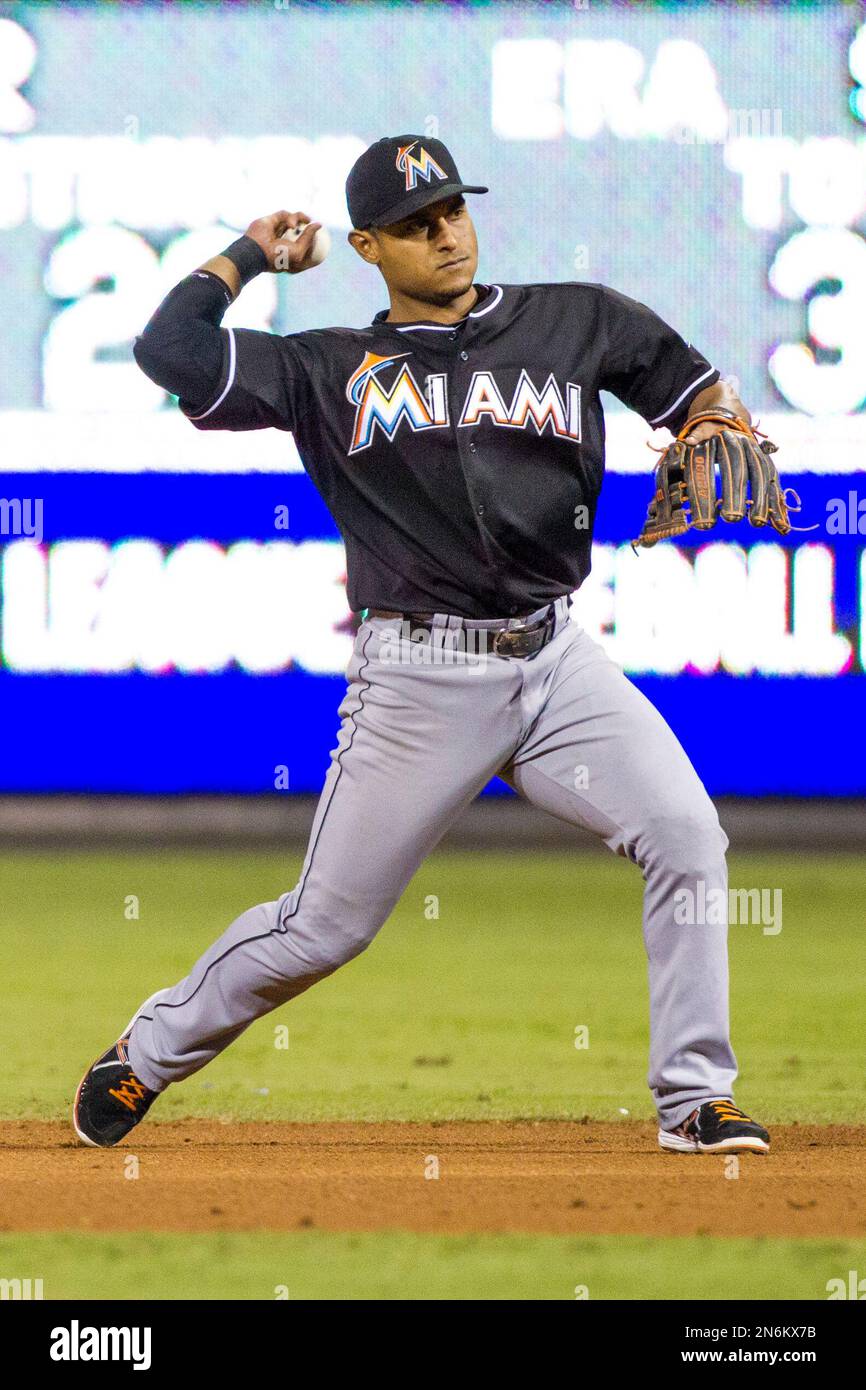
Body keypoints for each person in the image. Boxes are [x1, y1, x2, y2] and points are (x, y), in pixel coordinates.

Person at [73, 134, 770, 1157]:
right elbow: (168, 353)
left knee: (687, 837)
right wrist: (249, 253)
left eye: (451, 209)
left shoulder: (575, 318)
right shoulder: (325, 369)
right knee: (324, 926)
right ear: (367, 246)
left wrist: (711, 414)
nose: (445, 233)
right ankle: (148, 1048)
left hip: (557, 661)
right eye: (413, 224)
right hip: (418, 678)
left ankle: (693, 1098)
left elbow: (690, 386)